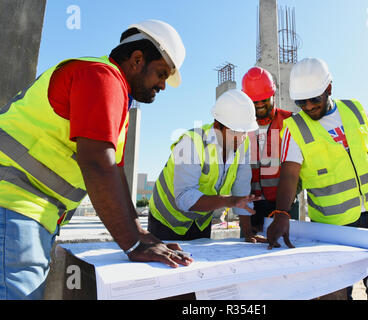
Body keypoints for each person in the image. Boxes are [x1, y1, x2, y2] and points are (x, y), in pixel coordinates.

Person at [0, 19, 193, 300]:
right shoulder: (101, 77)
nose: (162, 85)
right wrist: (131, 244)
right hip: (13, 205)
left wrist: (138, 232)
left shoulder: (112, 94)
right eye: (161, 73)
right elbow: (97, 164)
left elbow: (114, 171)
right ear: (138, 60)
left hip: (26, 211)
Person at [266, 58, 368, 300]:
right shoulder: (294, 127)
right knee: (336, 294)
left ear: (329, 89)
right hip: (334, 228)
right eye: (301, 102)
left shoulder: (354, 109)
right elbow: (289, 174)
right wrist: (282, 213)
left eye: (314, 99)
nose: (307, 107)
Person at [147, 89, 261, 242]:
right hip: (166, 221)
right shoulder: (192, 143)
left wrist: (248, 233)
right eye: (235, 131)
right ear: (216, 126)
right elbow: (184, 197)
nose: (240, 138)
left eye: (245, 132)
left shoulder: (243, 145)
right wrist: (229, 200)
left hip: (201, 223)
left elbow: (241, 191)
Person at [241, 67, 297, 238]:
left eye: (263, 100)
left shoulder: (291, 121)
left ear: (273, 94)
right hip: (252, 206)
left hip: (285, 204)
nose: (258, 105)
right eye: (253, 101)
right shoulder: (240, 126)